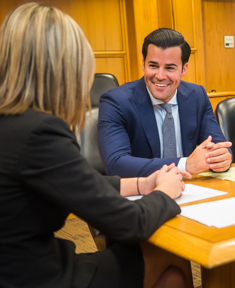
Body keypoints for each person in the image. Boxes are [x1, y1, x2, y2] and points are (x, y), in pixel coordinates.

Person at [0, 3, 191, 288]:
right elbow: (129, 223)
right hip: (37, 277)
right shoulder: (39, 132)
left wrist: (142, 184)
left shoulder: (12, 124)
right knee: (168, 253)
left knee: (171, 276)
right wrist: (165, 191)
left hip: (18, 266)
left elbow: (77, 184)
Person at [97, 28, 232, 178]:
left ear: (184, 69)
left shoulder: (197, 95)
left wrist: (222, 159)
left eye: (170, 68)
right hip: (141, 192)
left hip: (190, 188)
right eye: (153, 66)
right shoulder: (116, 102)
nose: (160, 76)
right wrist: (185, 164)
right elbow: (115, 165)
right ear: (143, 64)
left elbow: (220, 147)